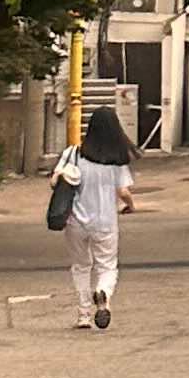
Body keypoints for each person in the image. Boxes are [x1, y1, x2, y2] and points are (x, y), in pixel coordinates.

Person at [61, 102, 137, 330]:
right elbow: (123, 192)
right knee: (107, 266)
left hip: (76, 221)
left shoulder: (74, 154)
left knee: (81, 266)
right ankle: (102, 292)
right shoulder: (117, 161)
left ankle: (83, 315)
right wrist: (131, 205)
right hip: (105, 222)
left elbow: (55, 180)